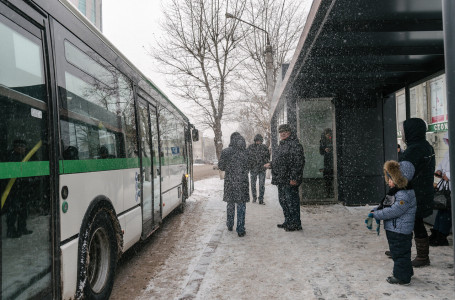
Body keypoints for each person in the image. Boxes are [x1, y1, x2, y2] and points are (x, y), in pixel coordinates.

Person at [398, 118, 435, 267]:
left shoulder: (415, 149)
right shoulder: (425, 146)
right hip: (421, 191)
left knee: (415, 222)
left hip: (414, 193)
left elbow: (404, 171)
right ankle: (403, 250)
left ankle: (422, 256)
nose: (402, 134)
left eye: (404, 131)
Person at [372, 160, 416, 285]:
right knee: (402, 252)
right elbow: (385, 205)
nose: (389, 181)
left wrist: (377, 214)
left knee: (399, 253)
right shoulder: (397, 192)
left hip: (399, 230)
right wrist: (375, 210)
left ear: (399, 179)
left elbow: (394, 210)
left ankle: (401, 277)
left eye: (391, 178)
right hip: (396, 229)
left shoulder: (404, 194)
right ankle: (406, 272)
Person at [265, 124, 305, 232]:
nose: (282, 133)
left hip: (289, 179)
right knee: (283, 201)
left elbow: (298, 163)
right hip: (281, 179)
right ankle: (288, 221)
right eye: (281, 132)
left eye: (285, 131)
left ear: (289, 132)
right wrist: (271, 164)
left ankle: (295, 223)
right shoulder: (281, 145)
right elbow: (280, 161)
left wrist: (294, 178)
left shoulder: (295, 145)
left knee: (291, 202)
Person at [218, 132, 249, 237]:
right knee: (241, 205)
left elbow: (221, 167)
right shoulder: (245, 152)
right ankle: (240, 229)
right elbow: (249, 165)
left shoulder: (226, 152)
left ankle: (230, 224)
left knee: (230, 204)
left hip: (230, 182)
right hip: (242, 182)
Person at [5, 139, 33, 238]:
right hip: (14, 189)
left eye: (24, 147)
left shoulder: (25, 157)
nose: (22, 149)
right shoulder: (11, 157)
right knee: (13, 210)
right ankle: (11, 230)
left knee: (23, 210)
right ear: (15, 147)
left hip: (23, 188)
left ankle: (22, 228)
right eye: (20, 147)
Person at [430, 132, 452, 246]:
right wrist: (439, 170)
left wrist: (447, 174)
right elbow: (442, 165)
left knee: (446, 211)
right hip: (445, 186)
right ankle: (438, 233)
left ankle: (441, 235)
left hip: (450, 188)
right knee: (442, 209)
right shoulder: (449, 152)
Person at [247, 134, 270, 204]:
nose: (258, 142)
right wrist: (250, 165)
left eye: (259, 141)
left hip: (262, 168)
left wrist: (265, 163)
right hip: (253, 168)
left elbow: (267, 157)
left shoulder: (264, 147)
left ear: (261, 141)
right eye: (257, 141)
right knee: (253, 184)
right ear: (255, 140)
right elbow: (247, 157)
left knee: (261, 184)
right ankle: (254, 197)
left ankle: (261, 199)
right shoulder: (250, 147)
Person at [319, 128, 334, 197]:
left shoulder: (333, 140)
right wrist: (324, 149)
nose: (329, 136)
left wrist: (332, 149)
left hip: (333, 160)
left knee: (331, 176)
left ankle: (330, 190)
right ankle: (328, 191)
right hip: (327, 161)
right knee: (327, 177)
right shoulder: (322, 141)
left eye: (329, 135)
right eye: (327, 135)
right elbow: (321, 152)